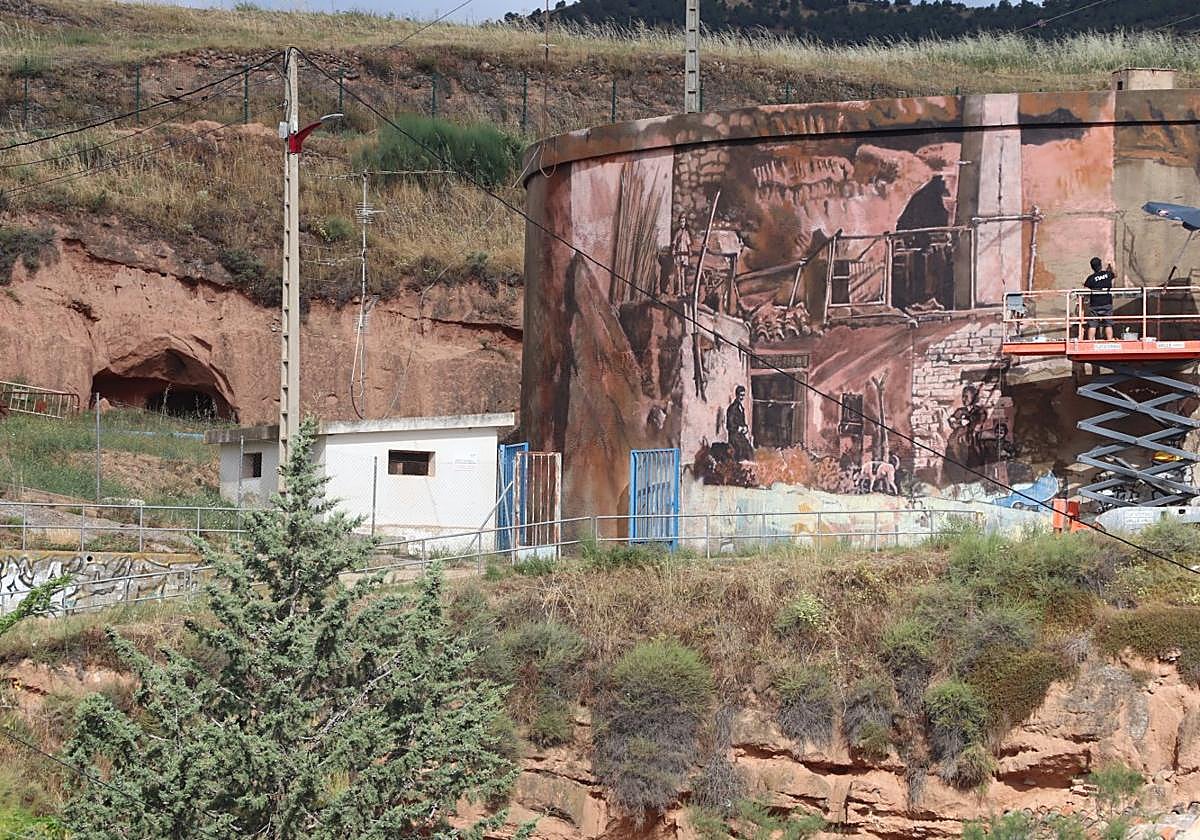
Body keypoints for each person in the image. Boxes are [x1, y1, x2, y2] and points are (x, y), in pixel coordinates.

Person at [1083, 256, 1115, 340]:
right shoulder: (1107, 274)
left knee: (1092, 325)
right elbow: (1115, 274)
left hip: (1095, 305)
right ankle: (1109, 341)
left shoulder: (1091, 278)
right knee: (1108, 324)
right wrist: (1111, 266)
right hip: (1107, 304)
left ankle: (1090, 342)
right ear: (1100, 265)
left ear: (1092, 267)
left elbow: (1085, 290)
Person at [726, 385, 753, 461]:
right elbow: (729, 425)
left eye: (743, 395)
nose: (742, 397)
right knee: (740, 451)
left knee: (749, 450)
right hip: (734, 437)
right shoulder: (732, 408)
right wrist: (738, 428)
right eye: (740, 395)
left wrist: (745, 428)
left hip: (741, 436)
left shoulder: (741, 408)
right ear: (737, 395)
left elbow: (742, 422)